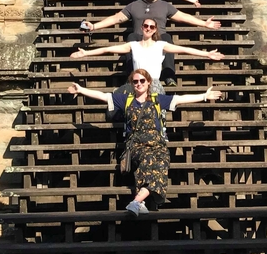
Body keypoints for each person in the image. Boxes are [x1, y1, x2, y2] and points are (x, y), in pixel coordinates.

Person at [67, 69, 224, 215]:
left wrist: (204, 96)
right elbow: (103, 96)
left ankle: (138, 201)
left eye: (142, 80)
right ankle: (138, 201)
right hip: (136, 145)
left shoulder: (157, 100)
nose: (139, 84)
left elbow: (180, 99)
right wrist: (81, 90)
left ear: (148, 82)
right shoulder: (126, 100)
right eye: (135, 81)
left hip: (158, 145)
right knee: (148, 160)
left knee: (162, 165)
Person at [81, 0, 221, 80]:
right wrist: (94, 26)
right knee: (131, 37)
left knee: (166, 38)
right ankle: (132, 76)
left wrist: (204, 24)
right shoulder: (134, 5)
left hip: (158, 39)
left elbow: (184, 17)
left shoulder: (165, 5)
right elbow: (116, 18)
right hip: (139, 39)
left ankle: (168, 74)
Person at [70, 19, 224, 83]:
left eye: (151, 27)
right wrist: (87, 53)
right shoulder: (133, 45)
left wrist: (206, 54)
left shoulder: (161, 45)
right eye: (146, 26)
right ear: (141, 28)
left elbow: (184, 50)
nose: (148, 29)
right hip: (137, 84)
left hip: (154, 84)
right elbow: (108, 50)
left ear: (155, 29)